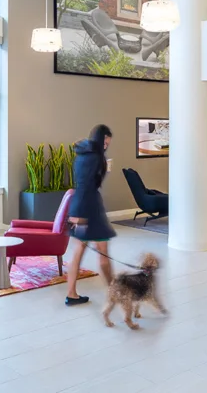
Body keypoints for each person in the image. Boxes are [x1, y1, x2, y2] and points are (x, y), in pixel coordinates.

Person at [66, 124, 116, 306]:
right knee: (103, 252)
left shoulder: (81, 155)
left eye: (107, 144)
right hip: (91, 209)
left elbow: (82, 185)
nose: (106, 146)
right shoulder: (95, 158)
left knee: (79, 251)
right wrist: (83, 215)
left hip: (79, 205)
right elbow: (88, 186)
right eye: (104, 142)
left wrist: (78, 213)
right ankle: (115, 292)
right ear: (99, 139)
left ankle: (71, 293)